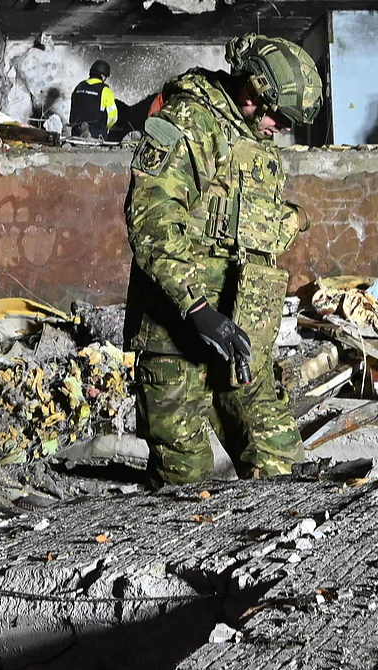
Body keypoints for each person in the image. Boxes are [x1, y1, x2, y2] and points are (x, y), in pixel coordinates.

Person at [124, 34, 324, 485]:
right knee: (184, 489)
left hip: (239, 333)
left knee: (280, 466)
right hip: (179, 334)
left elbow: (235, 218)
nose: (285, 129)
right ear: (252, 95)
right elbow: (151, 219)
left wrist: (286, 220)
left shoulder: (251, 134)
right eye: (282, 117)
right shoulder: (192, 122)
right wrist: (197, 309)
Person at [69, 59, 120, 139]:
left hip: (75, 133)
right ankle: (88, 134)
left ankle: (82, 131)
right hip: (96, 134)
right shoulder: (105, 90)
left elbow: (73, 112)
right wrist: (105, 127)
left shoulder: (79, 87)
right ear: (102, 76)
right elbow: (113, 117)